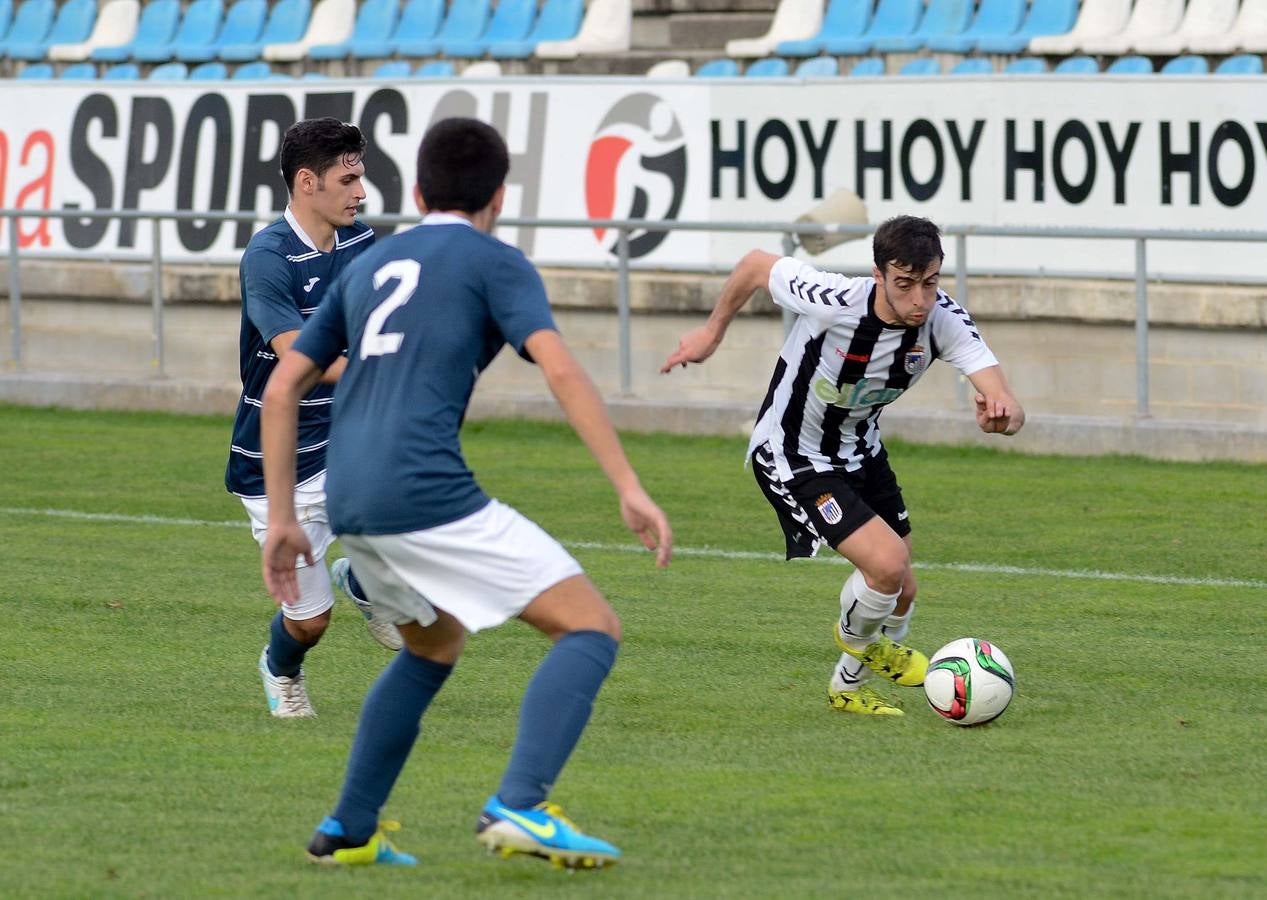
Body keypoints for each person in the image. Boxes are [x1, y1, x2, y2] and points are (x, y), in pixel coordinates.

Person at [259, 117, 672, 869]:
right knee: (590, 628)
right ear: (500, 196)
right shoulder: (496, 260)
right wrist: (628, 485)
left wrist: (283, 518)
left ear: (417, 190)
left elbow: (286, 384)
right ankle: (519, 805)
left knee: (432, 644)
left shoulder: (371, 263)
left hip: (348, 497)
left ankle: (348, 829)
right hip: (423, 491)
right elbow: (560, 369)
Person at [660, 216, 1024, 717]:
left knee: (903, 588)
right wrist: (711, 333)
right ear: (879, 275)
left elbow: (1007, 401)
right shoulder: (831, 297)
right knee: (887, 565)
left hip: (861, 450)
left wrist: (1001, 415)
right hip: (793, 455)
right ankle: (856, 640)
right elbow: (751, 266)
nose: (920, 299)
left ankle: (846, 687)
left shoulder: (943, 320)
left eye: (930, 282)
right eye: (905, 284)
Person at [226, 117, 403, 720]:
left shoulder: (361, 243)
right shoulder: (268, 257)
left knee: (413, 518)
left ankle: (367, 581)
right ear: (307, 182)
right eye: (348, 178)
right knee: (310, 621)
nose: (361, 191)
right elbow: (294, 355)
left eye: (362, 177)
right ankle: (281, 667)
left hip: (349, 440)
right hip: (278, 458)